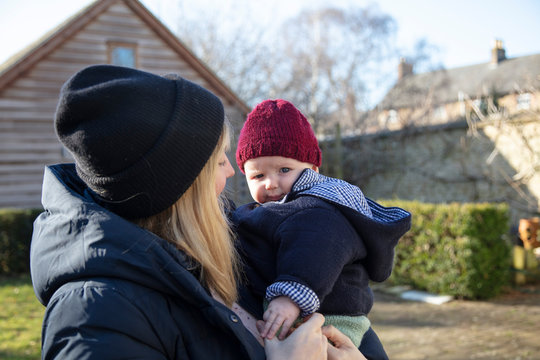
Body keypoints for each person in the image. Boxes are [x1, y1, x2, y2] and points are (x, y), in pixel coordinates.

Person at [30, 65, 365, 359]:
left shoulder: (231, 245)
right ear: (181, 187)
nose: (232, 173)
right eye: (221, 161)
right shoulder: (93, 318)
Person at [233, 99, 412, 350]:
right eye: (258, 175)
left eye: (284, 169)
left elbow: (314, 250)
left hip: (331, 318)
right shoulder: (281, 207)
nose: (270, 183)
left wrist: (290, 297)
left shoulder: (318, 209)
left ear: (313, 168)